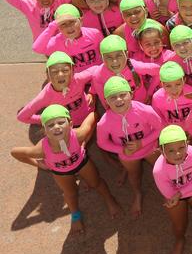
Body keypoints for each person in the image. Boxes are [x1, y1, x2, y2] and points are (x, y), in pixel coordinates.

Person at [11, 105, 121, 234]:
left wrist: (86, 139)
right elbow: (15, 153)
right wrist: (37, 164)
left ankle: (109, 199)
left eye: (61, 122)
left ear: (70, 124)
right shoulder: (40, 149)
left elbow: (93, 116)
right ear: (45, 130)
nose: (56, 127)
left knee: (96, 182)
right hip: (61, 173)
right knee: (70, 193)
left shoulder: (79, 135)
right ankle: (75, 215)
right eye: (50, 125)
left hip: (82, 164)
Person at [96, 76, 162, 217]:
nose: (119, 100)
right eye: (113, 97)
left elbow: (160, 128)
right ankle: (137, 194)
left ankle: (168, 188)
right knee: (134, 174)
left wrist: (142, 143)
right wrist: (121, 149)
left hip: (149, 148)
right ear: (106, 101)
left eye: (122, 95)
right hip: (128, 154)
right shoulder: (104, 123)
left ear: (131, 95)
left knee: (161, 169)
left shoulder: (145, 110)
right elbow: (102, 143)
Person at [153, 125, 192, 254]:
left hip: (183, 194)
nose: (178, 154)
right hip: (177, 197)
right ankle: (180, 239)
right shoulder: (158, 170)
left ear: (187, 144)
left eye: (181, 148)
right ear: (162, 151)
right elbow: (169, 193)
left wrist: (184, 192)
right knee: (179, 225)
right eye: (171, 150)